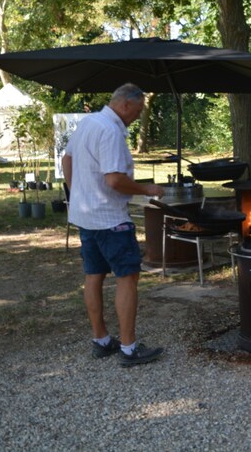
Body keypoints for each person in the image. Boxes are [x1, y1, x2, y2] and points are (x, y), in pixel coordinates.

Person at [62, 83, 166, 367]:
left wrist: (77, 194)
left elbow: (66, 158)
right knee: (127, 277)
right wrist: (148, 190)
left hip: (85, 216)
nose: (138, 116)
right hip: (110, 219)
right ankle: (130, 348)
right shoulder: (110, 131)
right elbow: (114, 180)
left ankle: (102, 340)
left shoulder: (88, 123)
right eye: (138, 110)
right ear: (125, 105)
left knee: (94, 276)